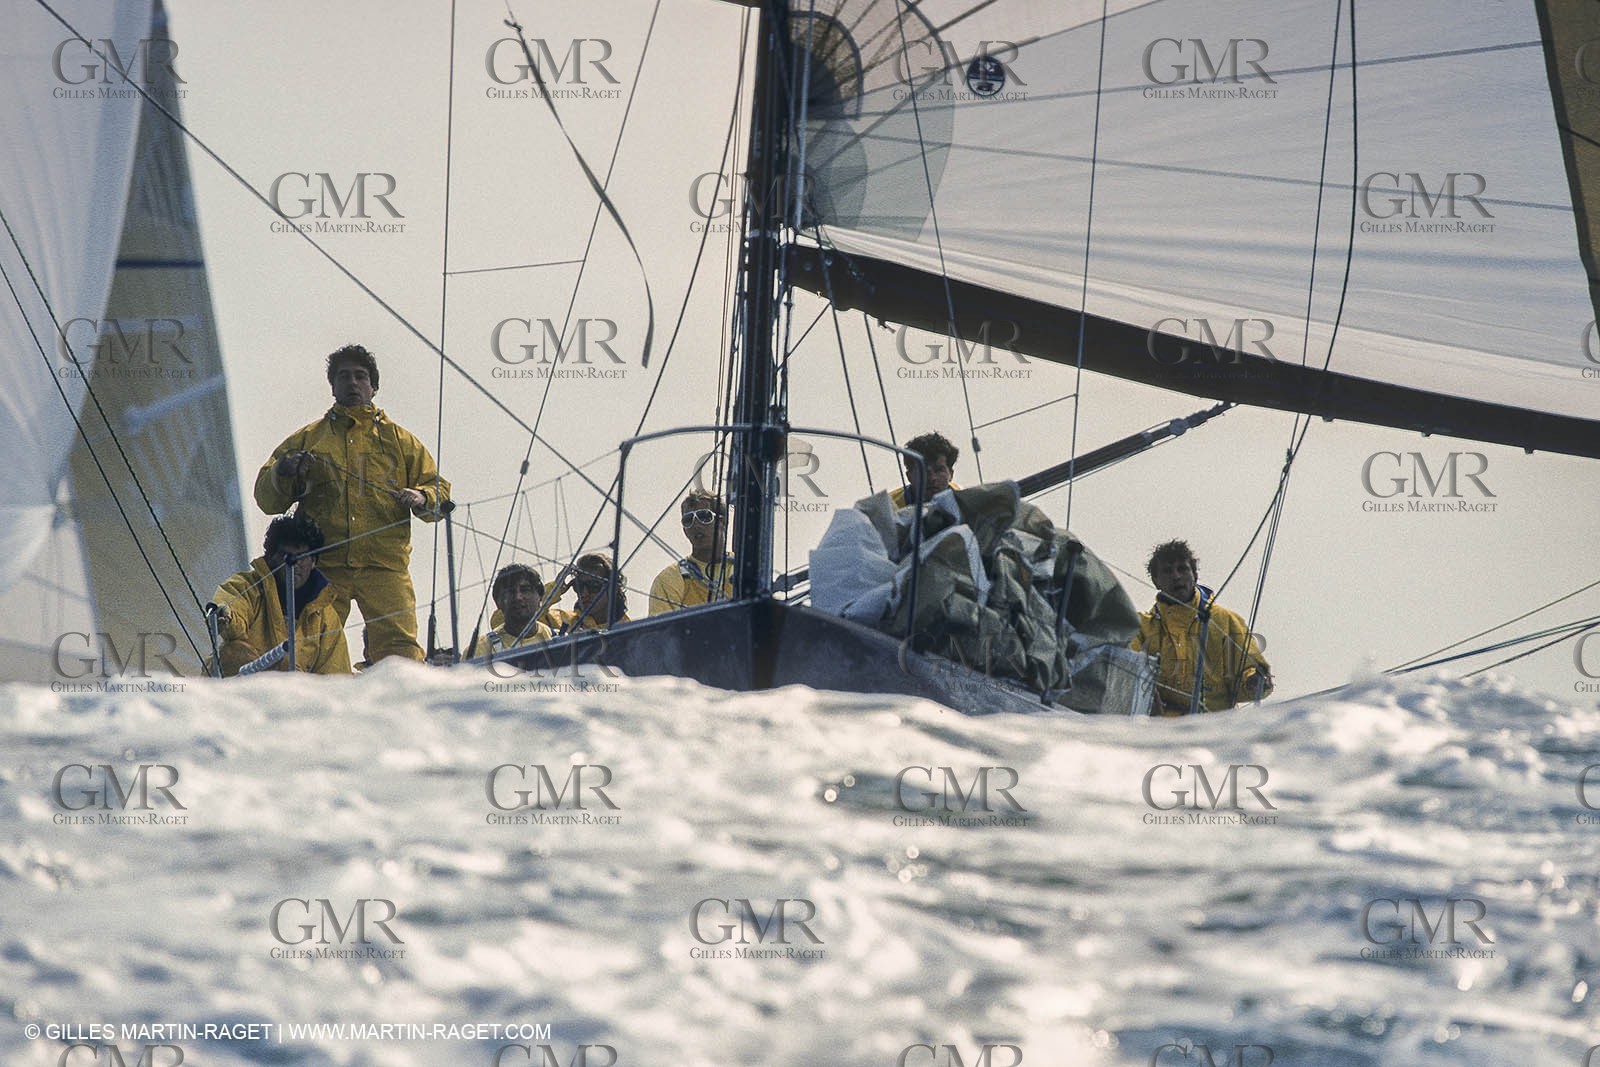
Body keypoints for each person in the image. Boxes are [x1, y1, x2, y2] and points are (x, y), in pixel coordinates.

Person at [254, 344, 450, 664]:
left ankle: (401, 707)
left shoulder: (401, 442)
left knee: (400, 651)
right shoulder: (308, 439)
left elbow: (439, 489)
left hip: (385, 567)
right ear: (332, 386)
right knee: (308, 646)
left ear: (374, 386)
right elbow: (266, 499)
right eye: (343, 376)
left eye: (361, 376)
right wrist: (283, 471)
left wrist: (421, 496)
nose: (353, 383)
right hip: (324, 566)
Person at [1130, 540, 1272, 715]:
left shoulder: (1225, 621)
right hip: (1159, 733)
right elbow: (1127, 672)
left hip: (1213, 731)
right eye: (1167, 571)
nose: (1176, 576)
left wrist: (1254, 681)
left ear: (1195, 575)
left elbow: (1248, 671)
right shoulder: (1141, 628)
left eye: (1182, 569)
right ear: (1156, 580)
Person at [209, 513, 351, 676]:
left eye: (302, 556)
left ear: (313, 562)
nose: (294, 563)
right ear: (270, 558)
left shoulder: (326, 617)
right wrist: (226, 617)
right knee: (233, 652)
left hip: (295, 698)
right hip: (241, 693)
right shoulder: (249, 587)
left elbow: (336, 674)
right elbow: (232, 607)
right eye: (286, 555)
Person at [649, 490, 735, 615]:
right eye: (688, 520)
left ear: (722, 522)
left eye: (704, 516)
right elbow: (659, 631)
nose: (696, 525)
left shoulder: (744, 569)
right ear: (684, 530)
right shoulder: (669, 578)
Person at [471, 563, 554, 657]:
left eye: (525, 590)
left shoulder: (559, 641)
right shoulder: (480, 649)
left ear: (540, 597)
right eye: (510, 592)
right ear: (497, 601)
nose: (518, 597)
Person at [544, 552, 631, 634]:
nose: (584, 594)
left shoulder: (630, 631)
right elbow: (532, 620)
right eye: (579, 586)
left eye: (594, 586)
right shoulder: (562, 621)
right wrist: (554, 589)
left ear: (613, 589)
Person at [889, 430, 961, 507]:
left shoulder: (964, 503)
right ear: (909, 476)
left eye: (939, 470)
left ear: (951, 473)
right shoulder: (891, 508)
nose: (932, 478)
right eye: (923, 472)